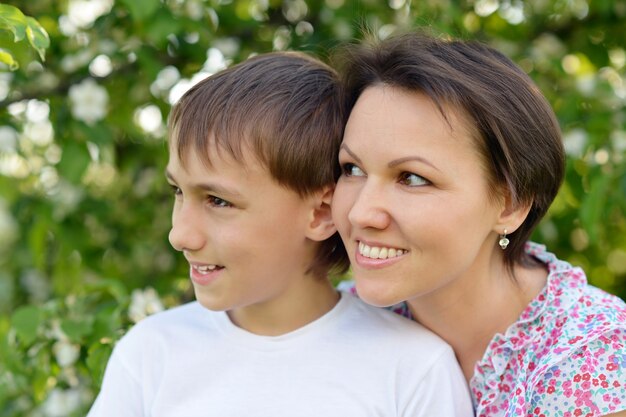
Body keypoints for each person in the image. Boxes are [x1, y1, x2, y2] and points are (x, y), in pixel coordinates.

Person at [86, 51, 473, 417]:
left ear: (321, 213)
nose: (180, 235)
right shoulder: (151, 353)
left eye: (218, 201)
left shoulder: (413, 371)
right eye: (178, 192)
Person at [331, 31, 626, 417]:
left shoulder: (594, 356)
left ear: (510, 204)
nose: (360, 213)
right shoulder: (341, 320)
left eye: (412, 178)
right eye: (352, 169)